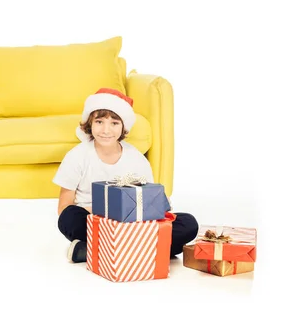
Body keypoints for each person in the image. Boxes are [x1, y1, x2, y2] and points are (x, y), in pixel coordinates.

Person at [54, 88, 199, 262]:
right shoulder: (77, 156)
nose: (106, 130)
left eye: (114, 123)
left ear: (123, 127)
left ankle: (100, 250)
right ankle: (144, 250)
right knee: (69, 217)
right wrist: (109, 212)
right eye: (99, 122)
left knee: (188, 223)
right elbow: (63, 208)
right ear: (89, 123)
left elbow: (152, 202)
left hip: (134, 225)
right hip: (96, 222)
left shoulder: (136, 158)